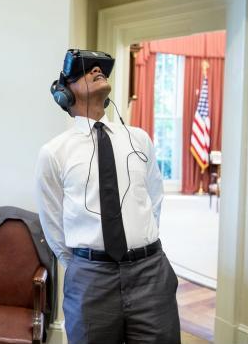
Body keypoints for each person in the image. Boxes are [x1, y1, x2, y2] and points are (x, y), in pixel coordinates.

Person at [35, 49, 180, 344]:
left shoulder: (139, 139)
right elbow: (52, 225)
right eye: (85, 70)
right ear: (64, 93)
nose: (97, 71)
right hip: (91, 279)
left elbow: (154, 199)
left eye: (100, 69)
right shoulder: (53, 153)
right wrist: (84, 265)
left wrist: (141, 245)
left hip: (150, 273)